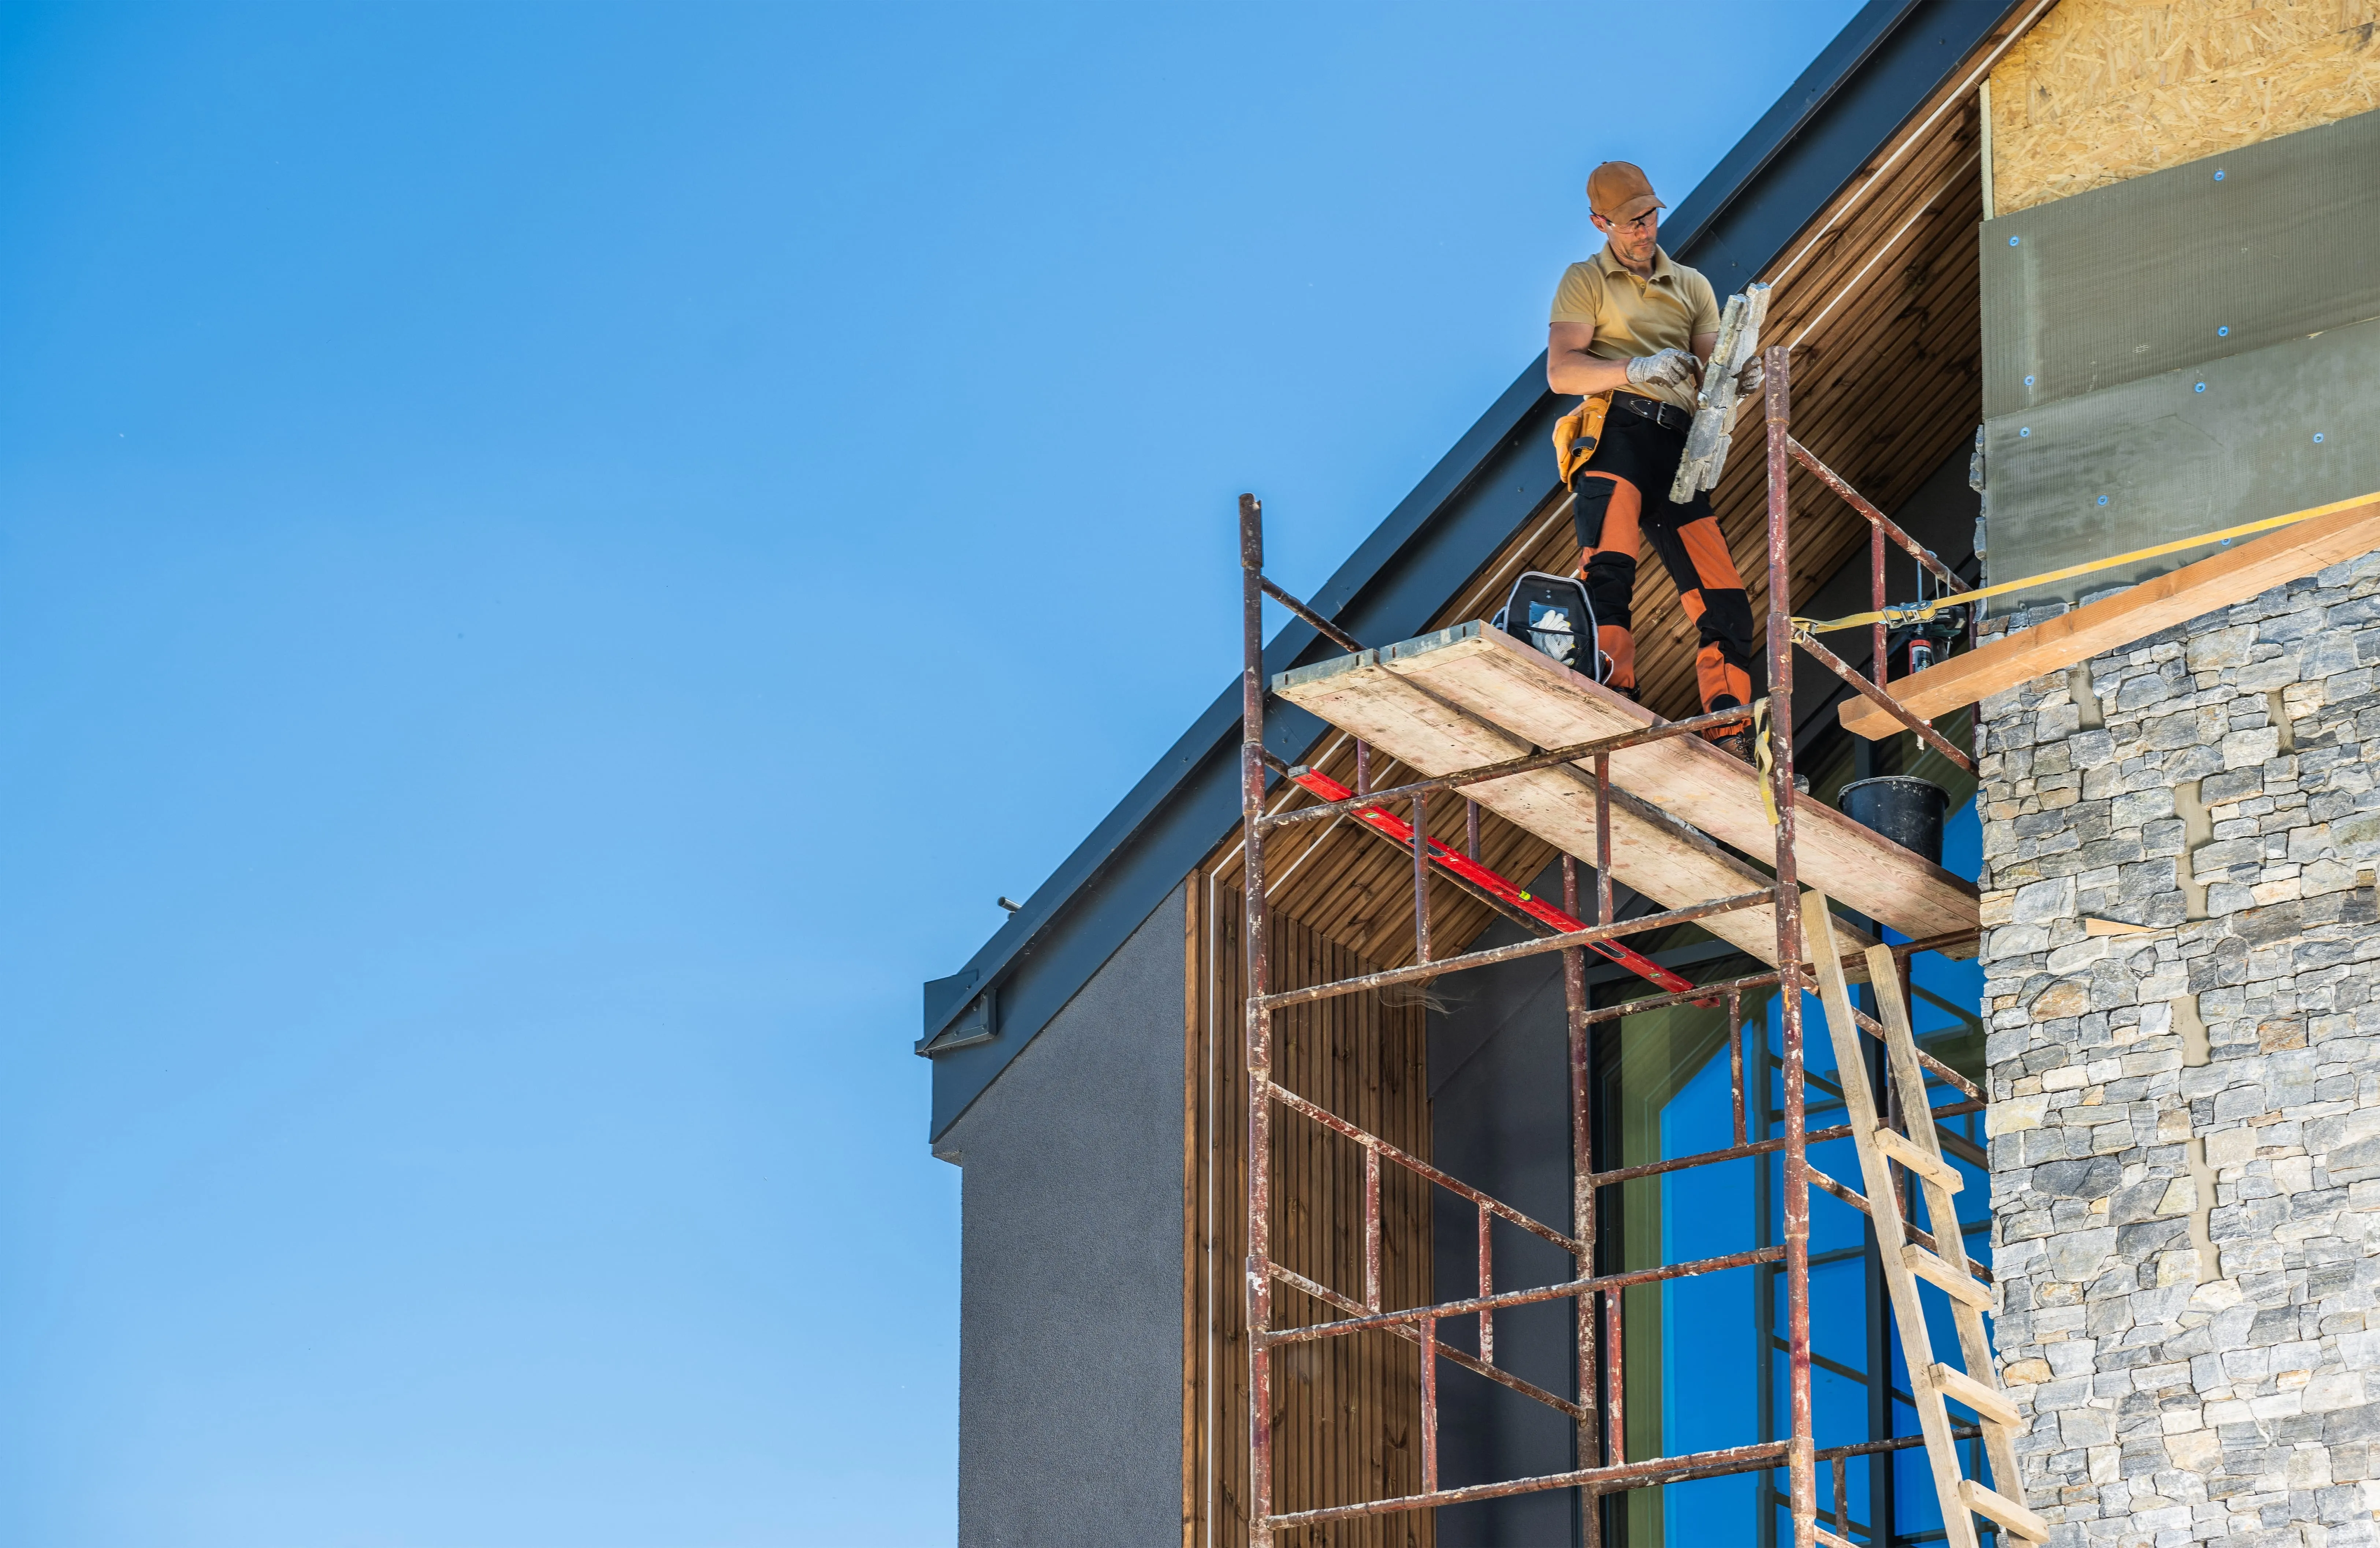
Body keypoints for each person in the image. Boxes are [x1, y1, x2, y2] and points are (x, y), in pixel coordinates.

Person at [1547, 160, 1763, 760]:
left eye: (1649, 216)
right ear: (1600, 223)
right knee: (1609, 571)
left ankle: (1729, 727)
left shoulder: (1689, 285)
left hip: (1677, 450)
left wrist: (1737, 377)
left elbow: (1714, 369)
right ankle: (1612, 696)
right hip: (1615, 431)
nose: (1644, 230)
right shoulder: (1585, 280)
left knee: (1723, 599)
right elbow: (1562, 371)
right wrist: (1635, 368)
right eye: (1630, 222)